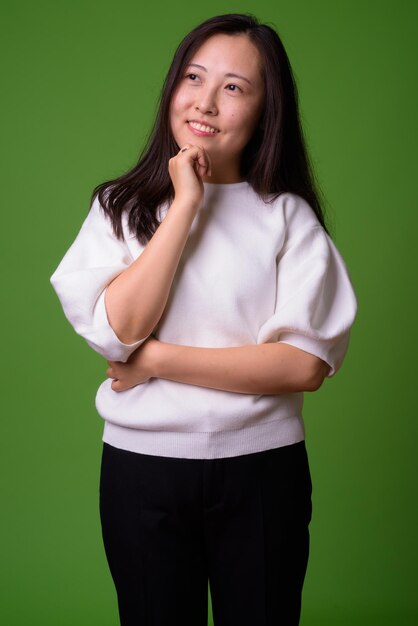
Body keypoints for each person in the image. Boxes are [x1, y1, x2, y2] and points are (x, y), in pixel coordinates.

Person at [50, 12, 357, 626]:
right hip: (142, 472)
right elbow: (117, 329)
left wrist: (156, 360)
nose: (206, 102)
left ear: (267, 110)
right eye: (194, 77)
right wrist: (186, 204)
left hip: (264, 472)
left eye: (234, 87)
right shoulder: (117, 207)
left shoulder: (287, 217)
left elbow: (302, 365)